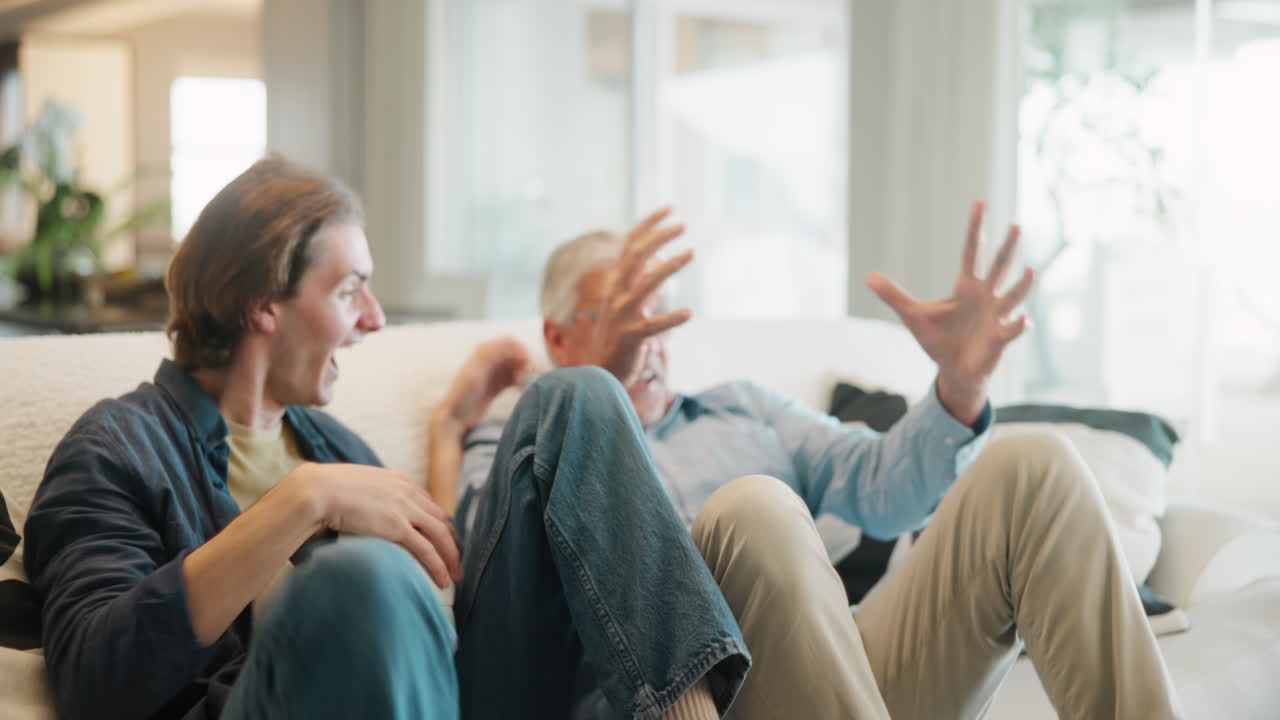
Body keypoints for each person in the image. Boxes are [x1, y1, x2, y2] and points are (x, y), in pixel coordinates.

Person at [24, 156, 747, 720]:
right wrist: (301, 503)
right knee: (357, 577)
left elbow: (443, 603)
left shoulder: (334, 447)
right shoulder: (118, 448)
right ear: (262, 303)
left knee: (576, 396)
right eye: (350, 290)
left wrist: (449, 429)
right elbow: (94, 680)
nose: (374, 319)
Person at [432, 204, 1184, 719]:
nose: (648, 343)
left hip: (836, 678)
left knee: (1033, 467)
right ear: (557, 338)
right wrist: (463, 423)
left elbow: (886, 492)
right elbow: (482, 579)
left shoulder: (745, 409)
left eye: (658, 316)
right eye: (620, 317)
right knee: (753, 510)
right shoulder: (518, 445)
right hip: (682, 701)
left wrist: (959, 388)